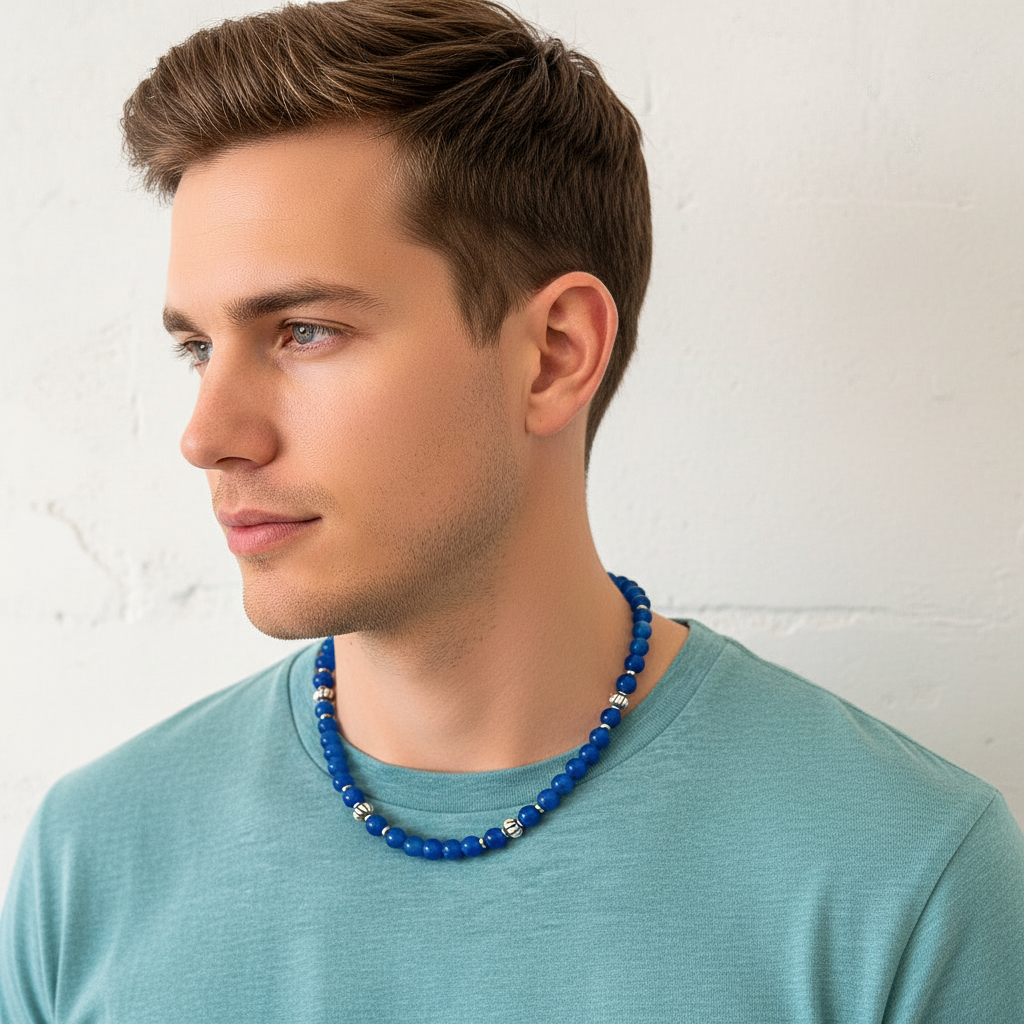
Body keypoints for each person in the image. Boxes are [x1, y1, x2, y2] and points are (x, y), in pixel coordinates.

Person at [2, 0, 1022, 1019]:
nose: (208, 433)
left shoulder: (906, 878)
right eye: (197, 348)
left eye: (304, 331)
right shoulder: (91, 862)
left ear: (554, 354)